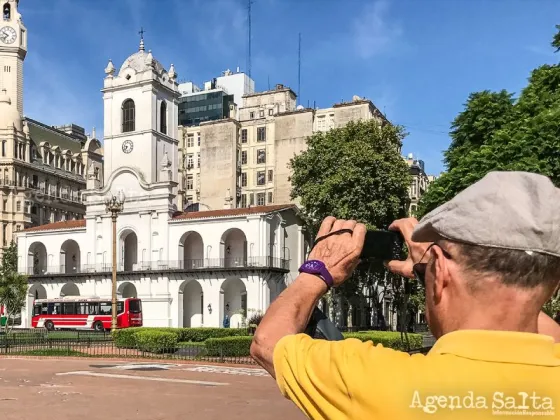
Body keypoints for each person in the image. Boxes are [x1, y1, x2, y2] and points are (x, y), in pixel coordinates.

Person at [251, 171, 560, 419]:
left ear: (439, 273)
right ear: (554, 285)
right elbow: (524, 296)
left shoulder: (383, 384)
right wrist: (434, 269)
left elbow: (268, 343)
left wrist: (317, 268)